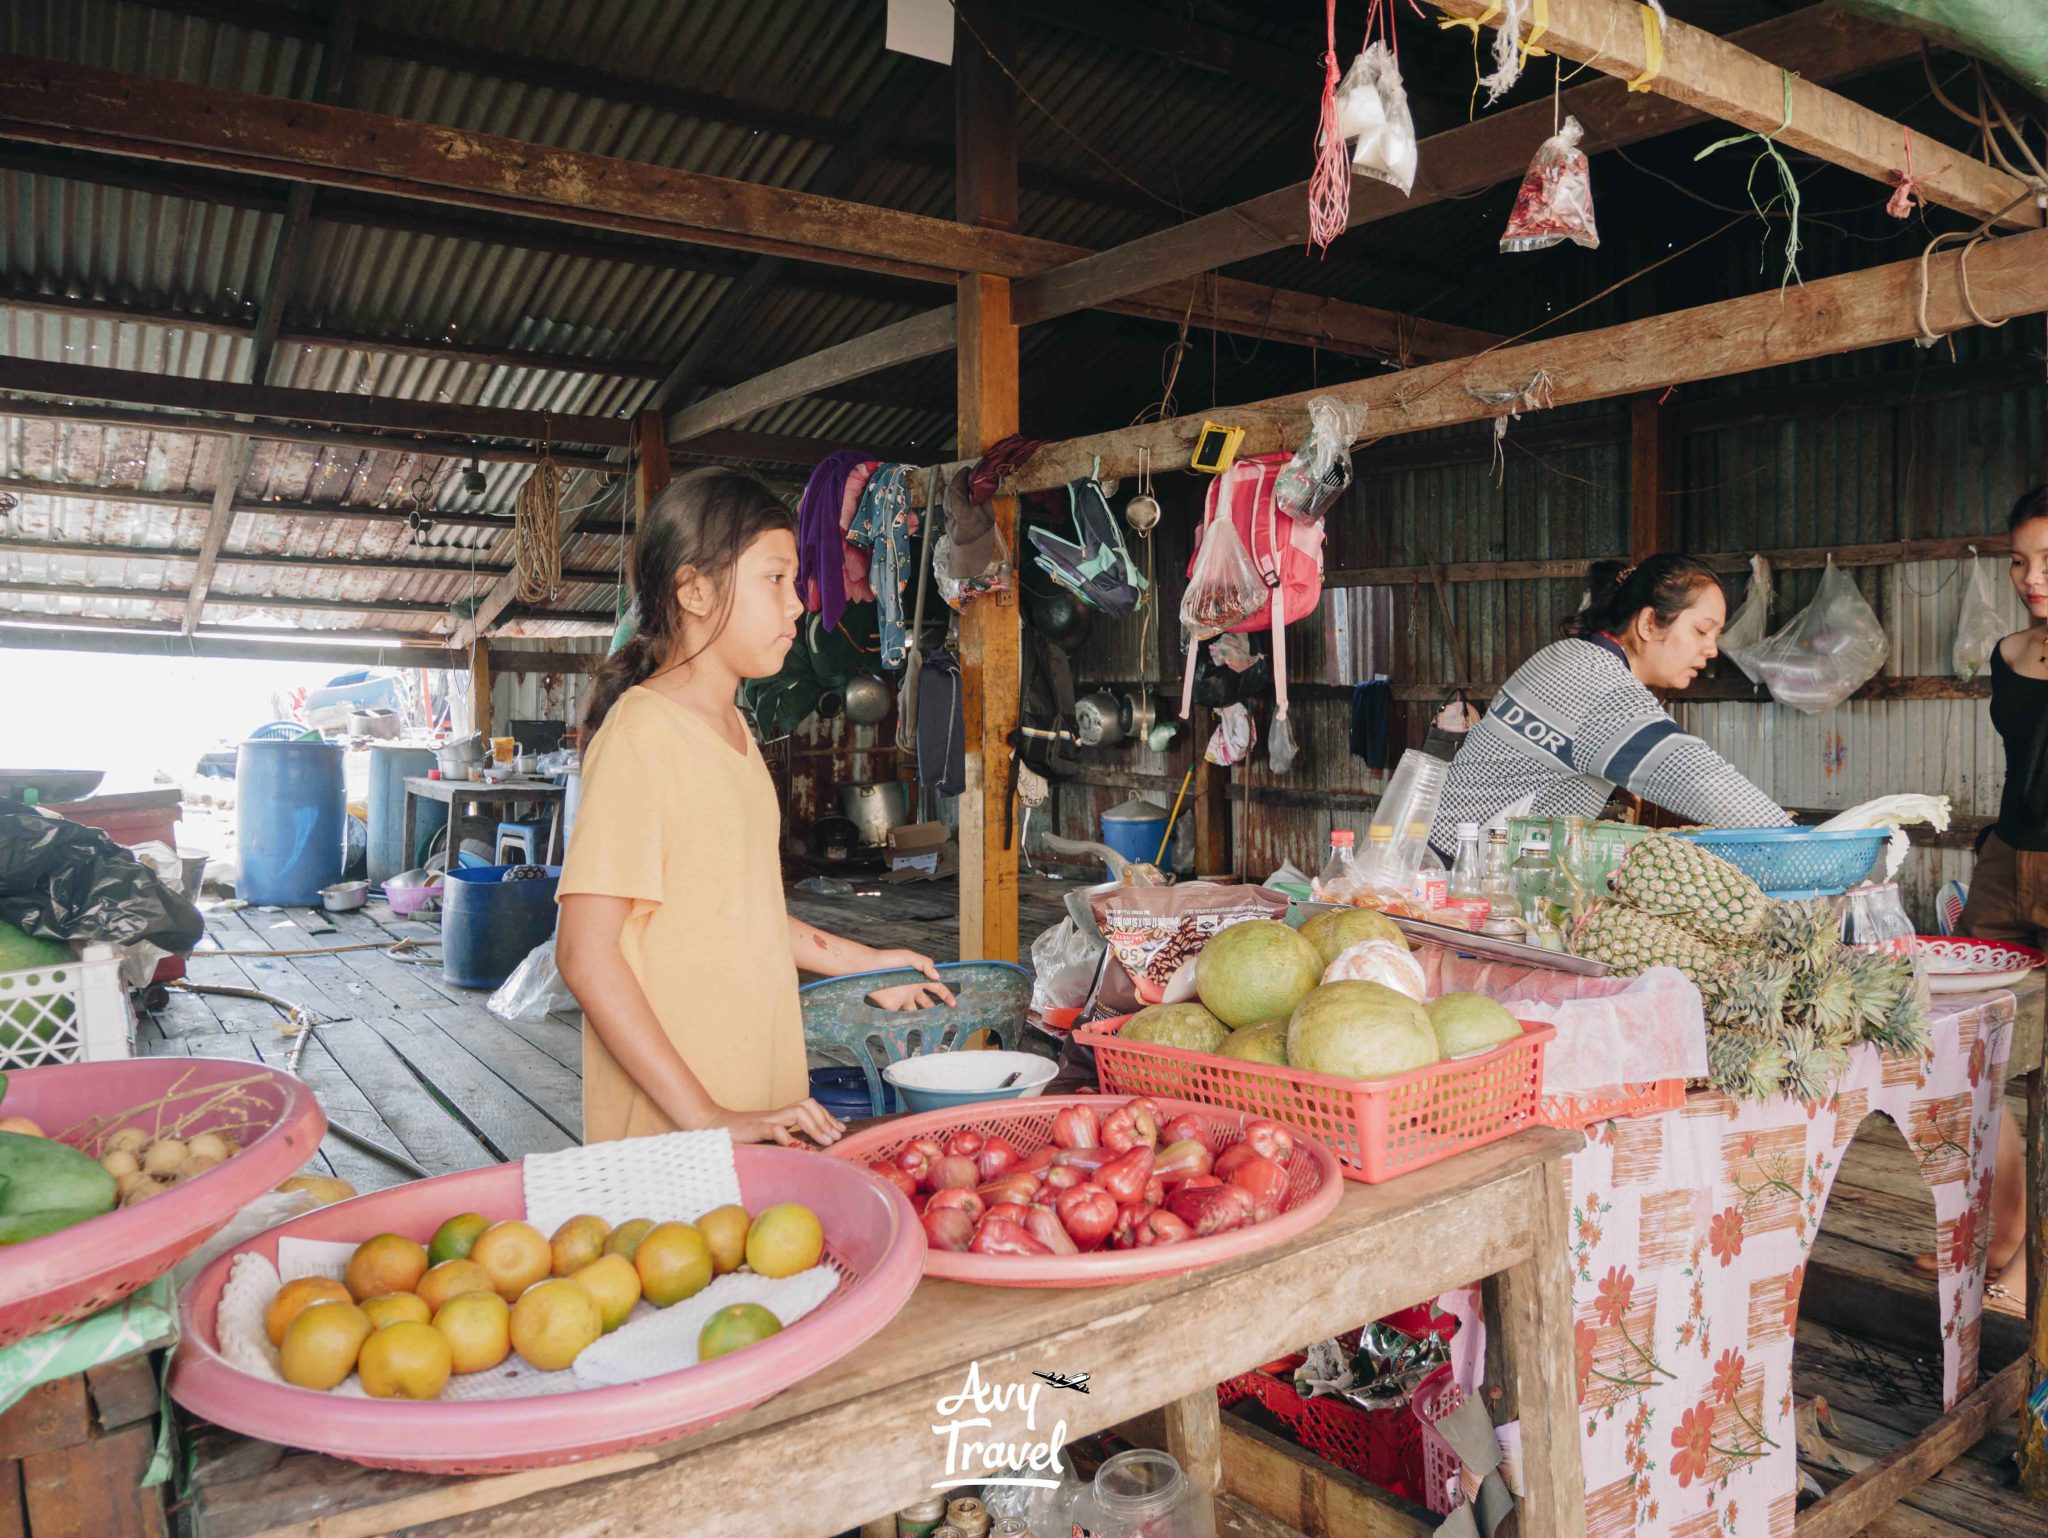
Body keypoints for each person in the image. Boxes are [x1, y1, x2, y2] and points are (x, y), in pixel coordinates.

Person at [556, 467, 952, 1148]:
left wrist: (863, 963)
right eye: (775, 580)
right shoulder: (641, 738)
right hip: (676, 1136)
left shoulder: (735, 732)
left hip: (759, 1105)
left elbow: (737, 910)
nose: (797, 605)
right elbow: (585, 956)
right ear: (696, 591)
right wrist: (708, 1116)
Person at [1432, 555, 1793, 846]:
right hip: (1457, 878)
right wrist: (1794, 840)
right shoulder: (1599, 686)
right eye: (1701, 630)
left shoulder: (1565, 655)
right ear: (1649, 623)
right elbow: (1694, 776)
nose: (1712, 650)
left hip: (1434, 857)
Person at [1945, 484, 2048, 1302]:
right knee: (1968, 1045)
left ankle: (2031, 1267)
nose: (2032, 576)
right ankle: (2003, 1229)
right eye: (2020, 560)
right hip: (2004, 864)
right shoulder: (2009, 653)